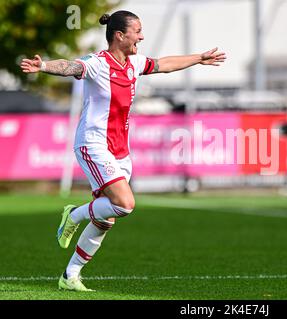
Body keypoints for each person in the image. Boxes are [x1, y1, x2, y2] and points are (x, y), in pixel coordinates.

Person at [20, 10, 226, 291]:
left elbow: (164, 64)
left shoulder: (133, 64)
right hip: (93, 145)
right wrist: (43, 67)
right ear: (120, 35)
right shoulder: (97, 63)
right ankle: (75, 215)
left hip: (120, 150)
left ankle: (70, 276)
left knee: (107, 219)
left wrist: (198, 59)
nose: (141, 36)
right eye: (137, 31)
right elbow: (70, 66)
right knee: (125, 204)